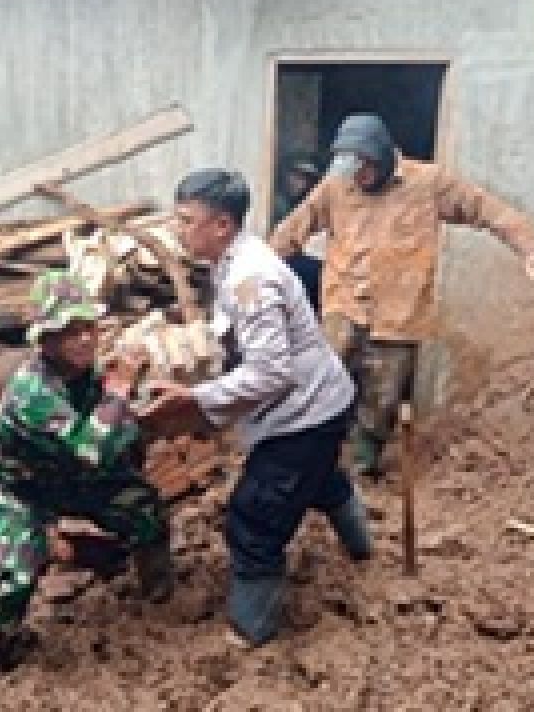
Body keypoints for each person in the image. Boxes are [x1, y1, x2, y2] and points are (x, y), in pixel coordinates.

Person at [142, 169, 373, 648]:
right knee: (317, 478)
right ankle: (361, 545)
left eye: (186, 220)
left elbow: (271, 373)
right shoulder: (226, 261)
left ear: (222, 225)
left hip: (305, 412)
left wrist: (198, 398)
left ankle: (253, 631)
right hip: (307, 405)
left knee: (254, 517)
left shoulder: (253, 278)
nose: (177, 229)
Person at [273, 114, 534, 478]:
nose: (357, 178)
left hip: (398, 314)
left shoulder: (429, 183)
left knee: (382, 396)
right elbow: (293, 229)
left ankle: (362, 465)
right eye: (352, 171)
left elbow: (487, 208)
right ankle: (314, 461)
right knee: (325, 382)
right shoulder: (335, 186)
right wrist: (256, 270)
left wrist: (528, 248)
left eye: (365, 169)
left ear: (381, 157)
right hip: (343, 305)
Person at [0, 269, 174, 663]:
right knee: (16, 569)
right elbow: (91, 448)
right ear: (46, 339)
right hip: (17, 486)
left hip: (71, 476)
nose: (83, 339)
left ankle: (156, 595)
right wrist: (119, 394)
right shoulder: (33, 391)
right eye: (69, 330)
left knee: (144, 507)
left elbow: (120, 434)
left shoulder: (88, 374)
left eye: (88, 328)